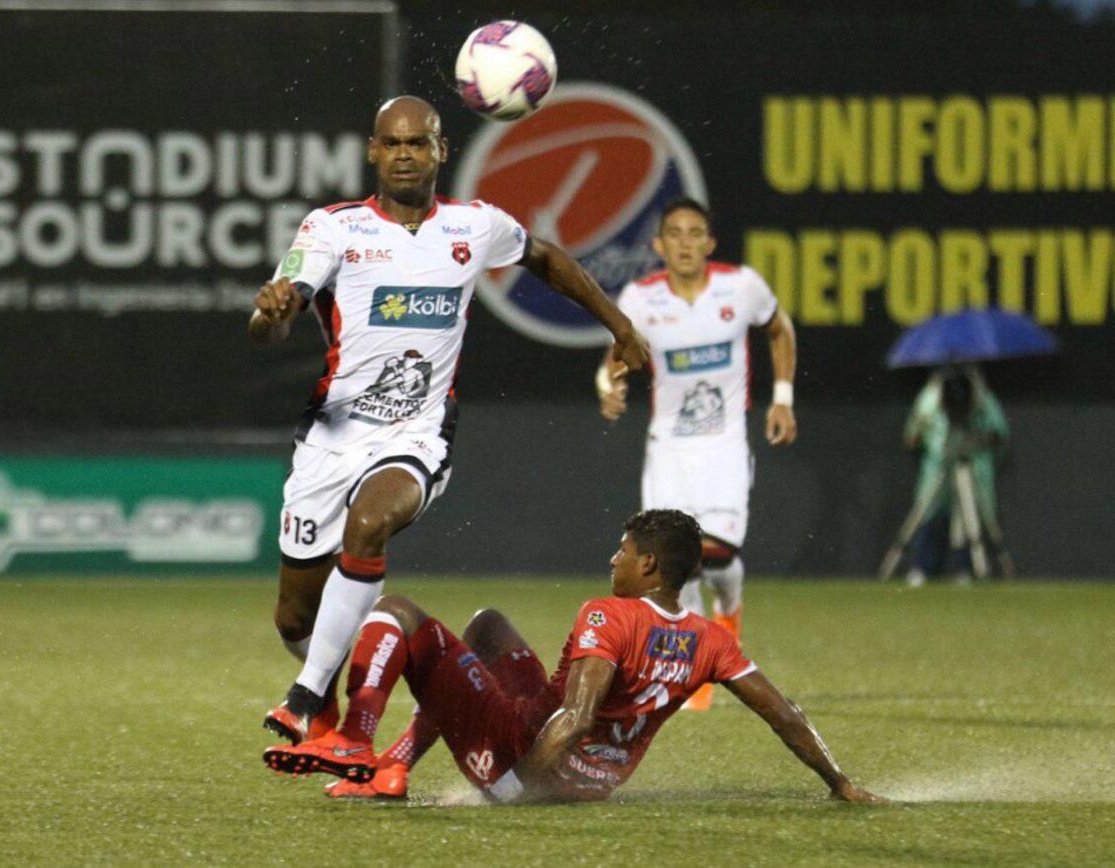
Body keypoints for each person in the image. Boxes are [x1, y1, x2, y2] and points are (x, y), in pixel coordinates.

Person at [250, 96, 649, 746]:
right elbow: (277, 309)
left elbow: (544, 257)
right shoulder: (333, 229)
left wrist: (620, 324)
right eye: (393, 143)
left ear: (442, 151)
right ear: (373, 152)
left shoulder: (475, 226)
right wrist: (271, 314)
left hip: (418, 434)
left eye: (419, 143)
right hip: (333, 438)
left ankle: (308, 699)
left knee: (370, 523)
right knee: (295, 616)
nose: (405, 154)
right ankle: (331, 688)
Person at [262, 509, 880, 805]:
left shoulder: (608, 613)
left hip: (527, 755)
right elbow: (785, 714)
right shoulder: (711, 637)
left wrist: (514, 789)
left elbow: (577, 716)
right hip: (596, 780)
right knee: (487, 627)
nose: (613, 560)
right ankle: (394, 766)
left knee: (395, 610)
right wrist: (840, 783)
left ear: (648, 566)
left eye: (623, 550)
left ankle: (355, 741)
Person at [595, 198, 797, 707]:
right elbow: (616, 358)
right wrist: (608, 383)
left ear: (709, 243)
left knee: (720, 555)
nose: (685, 243)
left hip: (724, 445)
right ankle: (692, 670)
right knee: (667, 564)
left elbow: (779, 328)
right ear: (659, 245)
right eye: (675, 234)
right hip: (669, 449)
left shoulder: (741, 287)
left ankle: (729, 609)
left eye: (695, 234)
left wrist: (783, 398)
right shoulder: (641, 299)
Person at [899, 366, 1011, 586]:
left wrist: (979, 437)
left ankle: (966, 568)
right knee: (931, 514)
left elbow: (999, 434)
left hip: (973, 466)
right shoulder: (929, 397)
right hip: (938, 467)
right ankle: (924, 566)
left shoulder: (982, 399)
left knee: (972, 517)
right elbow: (912, 436)